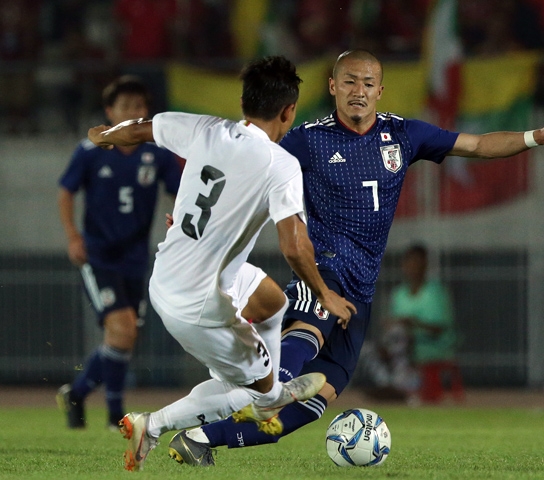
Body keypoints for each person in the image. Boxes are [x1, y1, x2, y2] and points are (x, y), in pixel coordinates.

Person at [166, 48, 544, 464]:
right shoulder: (307, 138)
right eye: (349, 82)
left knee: (321, 395)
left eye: (367, 83)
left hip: (362, 284)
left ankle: (200, 438)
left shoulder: (403, 135)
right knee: (307, 334)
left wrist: (533, 138)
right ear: (333, 87)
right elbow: (243, 159)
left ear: (380, 90)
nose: (358, 91)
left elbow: (479, 144)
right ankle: (269, 388)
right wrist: (197, 216)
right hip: (322, 268)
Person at [85, 55, 356, 471]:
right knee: (258, 396)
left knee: (273, 302)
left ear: (245, 101)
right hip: (197, 303)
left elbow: (141, 128)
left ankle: (258, 371)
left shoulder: (206, 128)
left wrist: (105, 135)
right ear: (288, 112)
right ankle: (155, 424)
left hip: (172, 273)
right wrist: (325, 295)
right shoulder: (280, 164)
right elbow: (295, 247)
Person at [56, 76, 183, 430]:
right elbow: (65, 192)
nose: (132, 113)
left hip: (136, 256)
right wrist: (73, 236)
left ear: (147, 112)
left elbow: (180, 192)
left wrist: (183, 222)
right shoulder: (90, 150)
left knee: (124, 334)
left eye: (138, 107)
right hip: (98, 255)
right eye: (124, 107)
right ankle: (115, 416)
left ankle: (78, 392)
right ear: (110, 112)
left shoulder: (156, 153)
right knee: (122, 328)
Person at [385, 244, 460, 404]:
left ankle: (404, 388)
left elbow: (439, 329)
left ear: (425, 265)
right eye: (409, 262)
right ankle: (397, 386)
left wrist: (413, 323)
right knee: (370, 351)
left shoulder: (435, 292)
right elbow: (393, 324)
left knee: (399, 337)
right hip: (402, 348)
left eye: (417, 262)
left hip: (432, 347)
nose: (413, 267)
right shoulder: (399, 293)